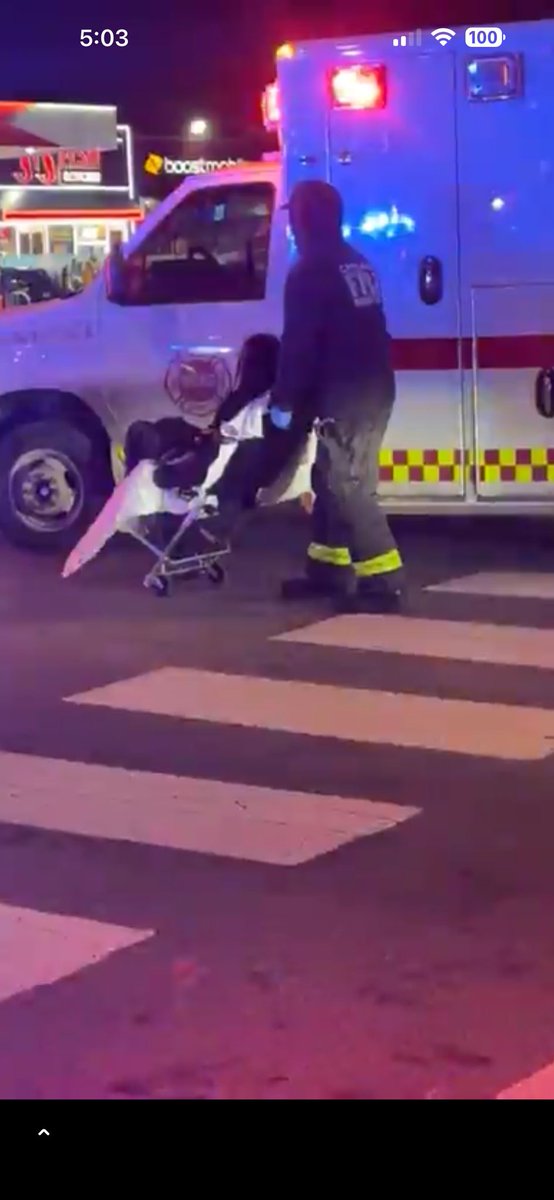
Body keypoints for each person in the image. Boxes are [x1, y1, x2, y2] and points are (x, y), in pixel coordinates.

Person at [270, 179, 405, 613]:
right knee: (330, 478)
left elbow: (299, 346)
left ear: (304, 218)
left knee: (347, 483)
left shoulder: (310, 269)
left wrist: (284, 402)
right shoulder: (354, 262)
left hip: (346, 392)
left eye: (294, 214)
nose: (290, 223)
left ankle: (384, 580)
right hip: (373, 386)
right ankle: (327, 570)